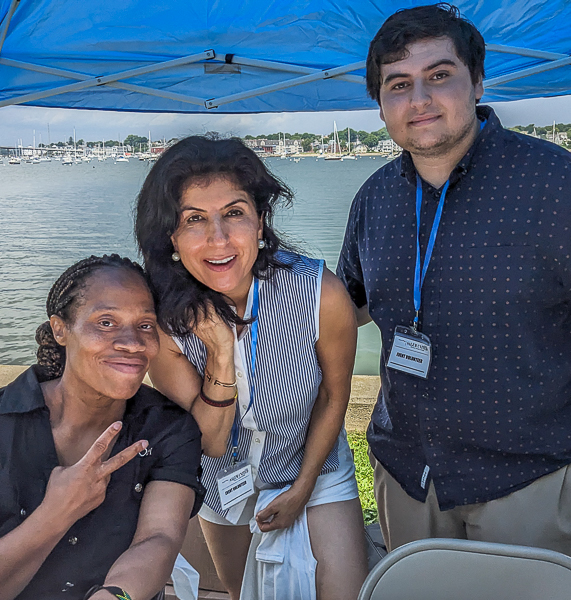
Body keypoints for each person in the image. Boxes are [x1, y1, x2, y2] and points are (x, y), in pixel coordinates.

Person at [337, 3, 571, 554]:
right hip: (408, 474)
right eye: (398, 84)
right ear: (380, 104)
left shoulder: (554, 183)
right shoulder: (374, 197)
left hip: (528, 477)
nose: (419, 99)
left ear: (478, 82)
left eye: (439, 76)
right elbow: (345, 306)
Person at [135, 136, 368, 600]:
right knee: (246, 593)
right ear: (171, 238)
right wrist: (221, 350)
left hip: (315, 468)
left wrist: (302, 487)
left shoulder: (320, 292)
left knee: (345, 591)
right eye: (194, 220)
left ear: (261, 221)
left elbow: (333, 395)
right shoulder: (162, 323)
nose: (218, 239)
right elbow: (213, 440)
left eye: (235, 213)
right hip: (227, 483)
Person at [0, 254, 204, 600]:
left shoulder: (168, 428)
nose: (132, 343)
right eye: (106, 323)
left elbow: (159, 538)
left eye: (145, 325)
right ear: (60, 329)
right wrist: (56, 513)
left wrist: (114, 596)